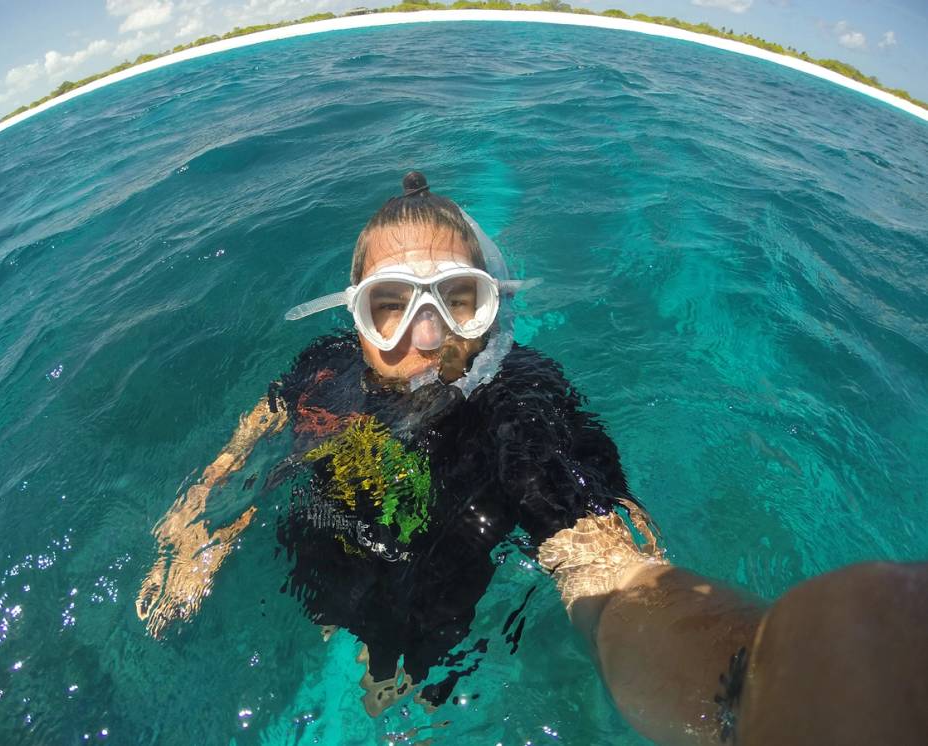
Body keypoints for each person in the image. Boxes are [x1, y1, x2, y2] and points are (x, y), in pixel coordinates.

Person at [136, 172, 928, 743]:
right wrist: (196, 519)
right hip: (324, 543)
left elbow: (606, 573)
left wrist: (752, 685)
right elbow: (262, 423)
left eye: (456, 300)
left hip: (430, 597)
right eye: (391, 307)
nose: (425, 337)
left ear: (491, 306)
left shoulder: (521, 403)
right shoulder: (326, 361)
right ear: (355, 317)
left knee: (393, 703)